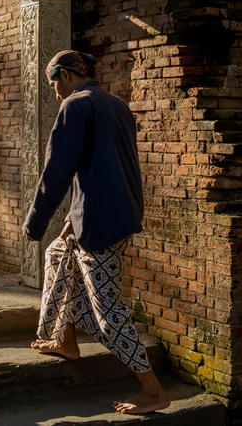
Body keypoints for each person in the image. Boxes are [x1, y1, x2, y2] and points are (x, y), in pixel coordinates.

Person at [22, 50, 170, 415]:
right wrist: (68, 222)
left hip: (101, 222)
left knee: (107, 310)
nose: (55, 92)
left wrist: (35, 222)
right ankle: (64, 338)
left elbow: (57, 171)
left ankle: (153, 391)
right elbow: (100, 168)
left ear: (68, 76)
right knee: (58, 253)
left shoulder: (75, 106)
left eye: (55, 83)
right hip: (117, 213)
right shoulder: (117, 106)